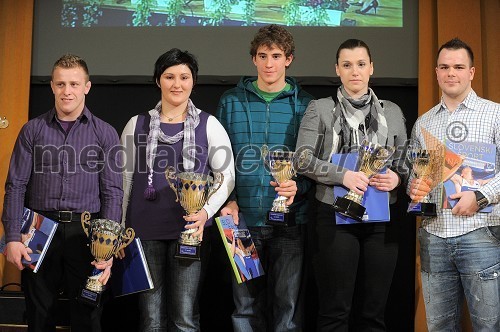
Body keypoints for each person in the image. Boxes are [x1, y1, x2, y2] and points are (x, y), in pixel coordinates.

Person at [2, 54, 122, 331]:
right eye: (61, 84)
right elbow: (15, 185)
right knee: (39, 313)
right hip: (38, 228)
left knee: (88, 315)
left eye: (74, 84)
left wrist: (109, 246)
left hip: (87, 232)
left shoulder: (105, 133)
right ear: (52, 87)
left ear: (87, 87)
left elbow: (113, 193)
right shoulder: (32, 130)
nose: (67, 91)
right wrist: (11, 237)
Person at [296, 38, 407, 331]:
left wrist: (397, 177)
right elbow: (302, 160)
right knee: (335, 312)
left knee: (374, 314)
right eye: (347, 65)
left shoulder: (392, 111)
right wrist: (342, 176)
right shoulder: (319, 108)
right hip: (333, 215)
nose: (354, 71)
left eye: (360, 64)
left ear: (371, 68)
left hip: (381, 218)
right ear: (337, 69)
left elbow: (405, 161)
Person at [121, 48, 235, 331]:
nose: (177, 84)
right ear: (158, 80)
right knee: (150, 318)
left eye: (184, 77)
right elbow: (124, 181)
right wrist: (121, 226)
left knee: (184, 317)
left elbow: (227, 177)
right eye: (169, 76)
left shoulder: (210, 125)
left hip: (190, 232)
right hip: (144, 233)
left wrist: (206, 213)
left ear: (193, 82)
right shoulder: (137, 124)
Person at [216, 24, 314, 331]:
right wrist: (228, 199)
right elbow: (218, 159)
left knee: (287, 311)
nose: (269, 63)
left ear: (289, 60)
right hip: (242, 220)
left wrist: (300, 186)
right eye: (262, 55)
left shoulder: (306, 104)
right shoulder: (231, 101)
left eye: (276, 55)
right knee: (245, 309)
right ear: (254, 60)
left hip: (290, 222)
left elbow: (314, 162)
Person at [408, 38, 500, 331]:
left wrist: (480, 196)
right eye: (445, 67)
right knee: (439, 327)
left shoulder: (495, 114)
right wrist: (414, 187)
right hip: (434, 237)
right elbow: (416, 173)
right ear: (436, 72)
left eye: (459, 67)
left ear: (471, 72)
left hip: (481, 235)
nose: (451, 73)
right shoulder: (423, 123)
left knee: (488, 326)